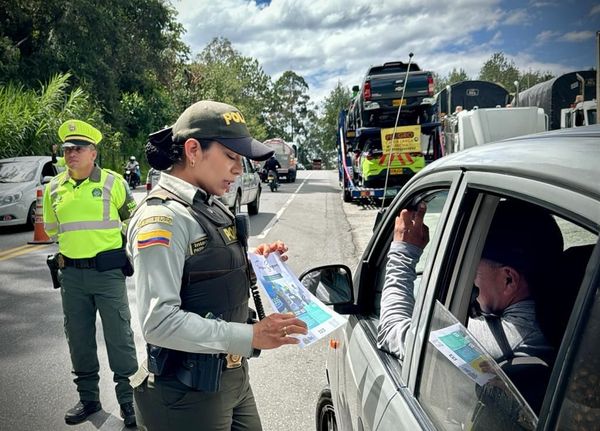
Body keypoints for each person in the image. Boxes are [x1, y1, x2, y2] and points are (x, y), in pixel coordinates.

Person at [126, 100, 308, 431]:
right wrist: (251, 334)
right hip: (186, 392)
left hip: (232, 377)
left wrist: (255, 260)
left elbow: (203, 267)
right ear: (193, 150)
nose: (239, 168)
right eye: (231, 156)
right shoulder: (163, 218)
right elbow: (159, 323)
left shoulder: (207, 204)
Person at [378, 199, 563, 364]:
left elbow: (391, 331)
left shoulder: (502, 341)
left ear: (509, 279)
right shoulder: (562, 313)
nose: (471, 283)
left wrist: (404, 252)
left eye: (472, 271)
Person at [42, 120, 138, 427]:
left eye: (78, 149)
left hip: (108, 275)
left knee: (119, 337)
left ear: (93, 153)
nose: (71, 154)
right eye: (68, 149)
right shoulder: (53, 188)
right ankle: (88, 399)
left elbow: (132, 219)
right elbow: (52, 229)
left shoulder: (114, 183)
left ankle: (128, 401)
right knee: (79, 339)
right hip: (71, 276)